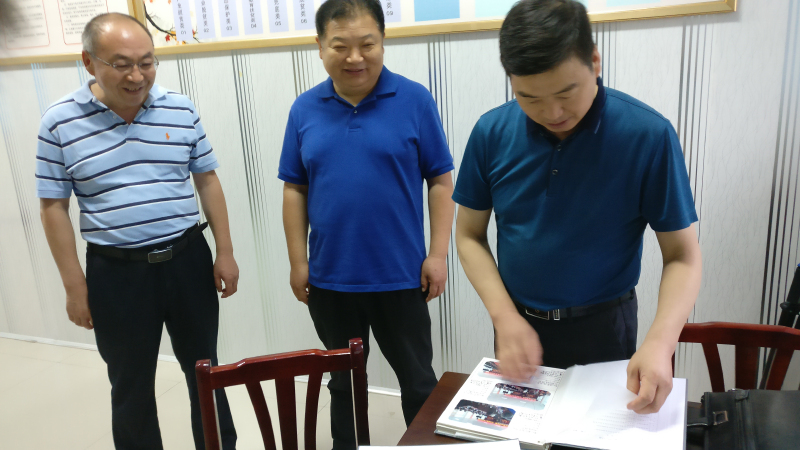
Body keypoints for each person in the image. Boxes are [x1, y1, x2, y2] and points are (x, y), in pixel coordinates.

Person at [453, 0, 702, 415]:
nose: (552, 113)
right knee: (521, 437)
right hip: (517, 323)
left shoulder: (647, 136)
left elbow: (683, 256)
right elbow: (468, 235)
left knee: (596, 436)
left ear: (595, 62)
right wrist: (504, 317)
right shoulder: (490, 133)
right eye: (529, 98)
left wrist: (660, 343)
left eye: (566, 93)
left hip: (605, 328)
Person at [36, 13, 238, 450]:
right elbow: (53, 207)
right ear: (89, 62)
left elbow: (207, 179)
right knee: (130, 383)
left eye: (147, 62)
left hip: (187, 260)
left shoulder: (179, 108)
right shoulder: (58, 122)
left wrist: (225, 251)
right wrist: (74, 286)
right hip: (116, 273)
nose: (137, 76)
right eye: (122, 64)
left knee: (206, 370)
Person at [279, 0, 455, 447]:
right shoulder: (304, 109)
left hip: (402, 275)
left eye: (367, 44)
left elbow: (440, 180)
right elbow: (294, 189)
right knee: (342, 383)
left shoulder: (415, 99)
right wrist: (298, 262)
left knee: (418, 380)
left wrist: (437, 254)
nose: (354, 57)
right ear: (320, 46)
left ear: (383, 41)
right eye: (340, 46)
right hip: (331, 279)